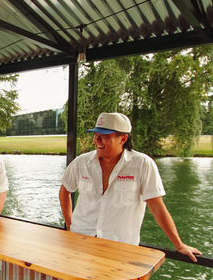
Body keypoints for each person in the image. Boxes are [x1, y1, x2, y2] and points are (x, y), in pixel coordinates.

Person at [59, 112, 201, 263]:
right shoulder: (81, 162)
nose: (97, 140)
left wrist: (179, 245)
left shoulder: (142, 164)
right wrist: (71, 225)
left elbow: (156, 205)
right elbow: (65, 191)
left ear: (123, 138)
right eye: (95, 135)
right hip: (80, 242)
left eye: (104, 135)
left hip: (119, 248)